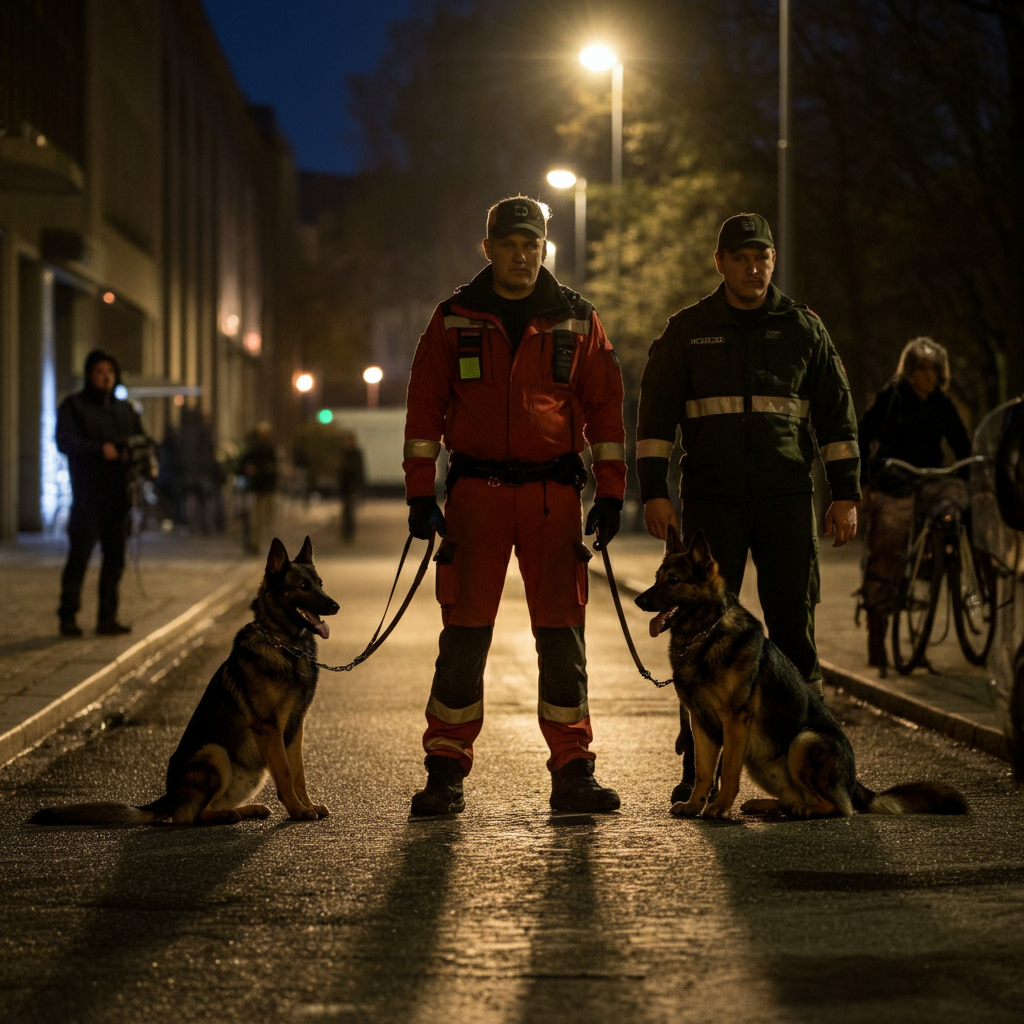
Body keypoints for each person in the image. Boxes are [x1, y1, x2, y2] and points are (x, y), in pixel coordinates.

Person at [403, 195, 628, 816]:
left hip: (552, 496)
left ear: (544, 249)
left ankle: (573, 770)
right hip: (476, 495)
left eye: (532, 245)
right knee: (465, 633)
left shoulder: (577, 319)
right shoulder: (453, 319)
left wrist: (611, 491)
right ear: (489, 249)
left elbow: (605, 410)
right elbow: (424, 408)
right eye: (509, 244)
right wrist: (420, 490)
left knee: (562, 636)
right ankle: (445, 768)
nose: (522, 256)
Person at [636, 213, 861, 700]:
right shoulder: (688, 330)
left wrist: (846, 494)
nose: (753, 268)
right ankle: (700, 744)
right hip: (712, 501)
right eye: (740, 258)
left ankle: (803, 731)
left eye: (761, 257)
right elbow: (654, 421)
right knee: (704, 627)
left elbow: (837, 418)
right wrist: (653, 493)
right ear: (719, 262)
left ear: (773, 259)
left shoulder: (804, 329)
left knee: (793, 621)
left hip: (786, 498)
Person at [857, 337, 971, 673]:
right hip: (894, 479)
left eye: (933, 370)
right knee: (887, 545)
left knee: (958, 506)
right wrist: (864, 481)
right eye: (920, 369)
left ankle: (943, 575)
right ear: (909, 371)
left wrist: (971, 474)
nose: (927, 376)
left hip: (930, 480)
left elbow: (961, 443)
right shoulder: (892, 396)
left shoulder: (941, 403)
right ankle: (877, 635)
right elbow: (863, 434)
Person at [56, 349, 148, 636]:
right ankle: (68, 616)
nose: (106, 377)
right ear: (89, 375)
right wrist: (99, 450)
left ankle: (107, 618)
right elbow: (64, 441)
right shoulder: (74, 406)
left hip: (119, 497)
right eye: (100, 371)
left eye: (110, 371)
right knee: (79, 559)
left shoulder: (125, 409)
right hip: (88, 496)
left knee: (115, 560)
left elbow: (142, 440)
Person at [240, 423, 279, 554]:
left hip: (262, 488)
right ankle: (255, 542)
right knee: (256, 518)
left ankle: (257, 542)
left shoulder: (267, 449)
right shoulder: (257, 449)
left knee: (260, 518)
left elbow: (273, 470)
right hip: (258, 488)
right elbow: (243, 465)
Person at [338, 431, 365, 543]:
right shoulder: (343, 452)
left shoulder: (355, 453)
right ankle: (346, 532)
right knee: (346, 510)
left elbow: (360, 469)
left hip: (352, 485)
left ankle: (349, 532)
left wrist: (359, 485)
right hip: (345, 485)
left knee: (350, 510)